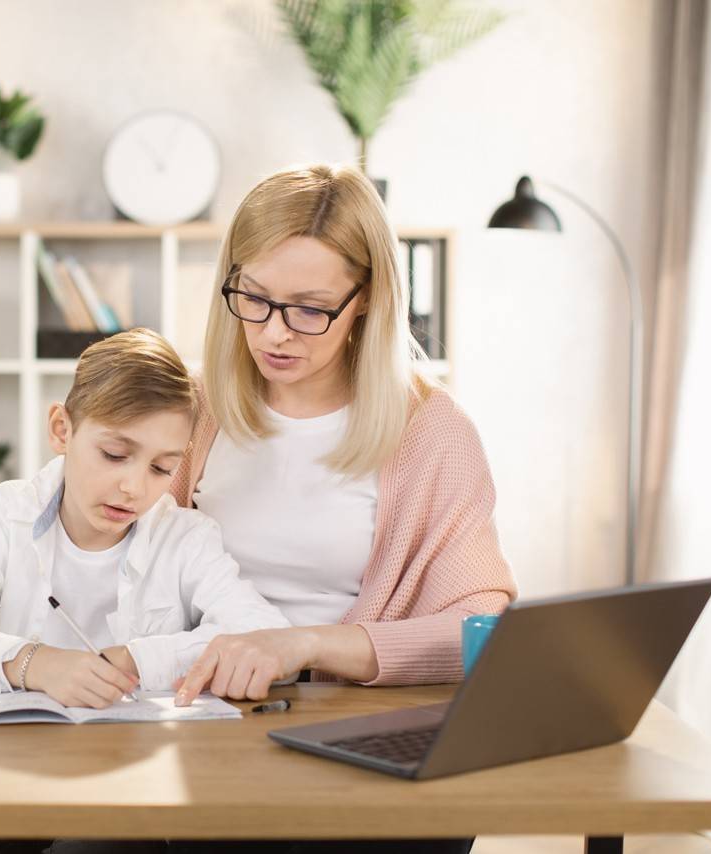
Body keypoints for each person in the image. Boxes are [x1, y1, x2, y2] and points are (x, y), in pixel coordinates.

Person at [166, 163, 518, 854]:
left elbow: (480, 629)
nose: (274, 333)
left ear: (368, 300)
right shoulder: (192, 406)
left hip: (350, 736)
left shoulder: (431, 431)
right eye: (254, 297)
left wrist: (304, 644)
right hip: (199, 722)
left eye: (309, 307)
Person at [0, 327, 290, 709]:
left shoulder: (186, 536)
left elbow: (268, 637)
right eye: (114, 454)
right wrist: (35, 664)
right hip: (23, 751)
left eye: (161, 468)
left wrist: (134, 659)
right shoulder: (11, 513)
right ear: (62, 430)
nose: (134, 488)